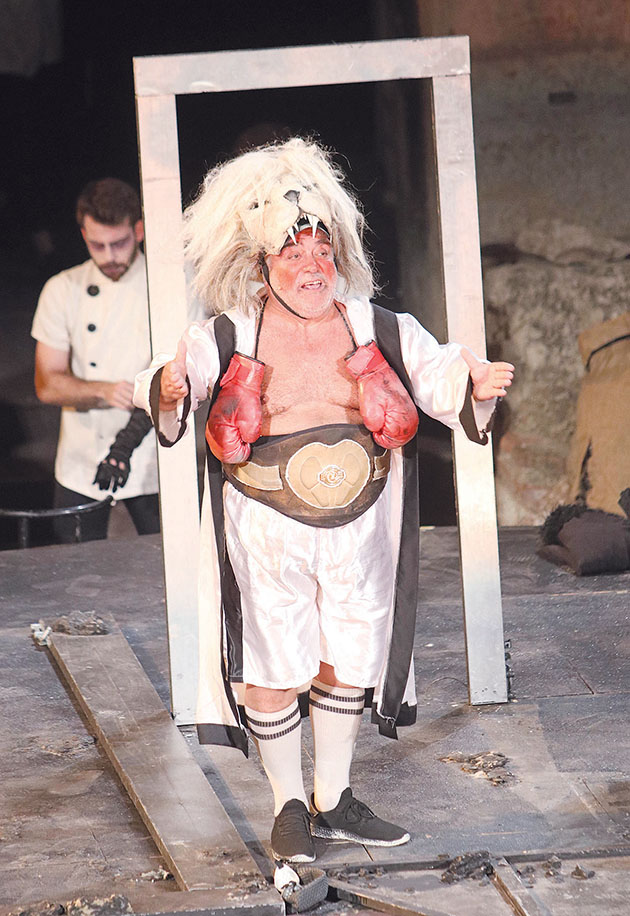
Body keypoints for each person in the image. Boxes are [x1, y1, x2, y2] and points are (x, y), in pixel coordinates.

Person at [134, 138, 514, 863]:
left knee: (349, 654)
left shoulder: (376, 325)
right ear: (261, 265)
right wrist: (169, 387)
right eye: (293, 253)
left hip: (359, 529)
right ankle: (287, 804)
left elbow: (438, 372)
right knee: (272, 664)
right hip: (265, 528)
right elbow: (167, 374)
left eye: (322, 251)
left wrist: (474, 384)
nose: (312, 266)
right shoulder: (230, 331)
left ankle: (333, 797)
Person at [31, 178, 159, 541]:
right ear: (84, 235)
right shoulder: (62, 289)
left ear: (138, 230)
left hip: (154, 461)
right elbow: (47, 384)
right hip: (81, 462)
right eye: (96, 245)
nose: (108, 256)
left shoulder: (171, 284)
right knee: (74, 564)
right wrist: (104, 390)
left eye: (118, 243)